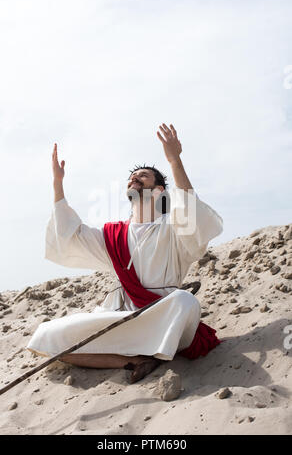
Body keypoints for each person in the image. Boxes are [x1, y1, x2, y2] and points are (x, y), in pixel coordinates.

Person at [26, 123, 223, 383]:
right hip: (127, 318)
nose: (134, 178)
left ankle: (155, 345)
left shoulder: (173, 226)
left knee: (185, 301)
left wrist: (174, 161)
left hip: (166, 315)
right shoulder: (114, 235)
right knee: (46, 336)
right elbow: (71, 236)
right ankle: (135, 361)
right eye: (132, 176)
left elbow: (191, 212)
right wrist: (57, 184)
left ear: (159, 191)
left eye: (143, 176)